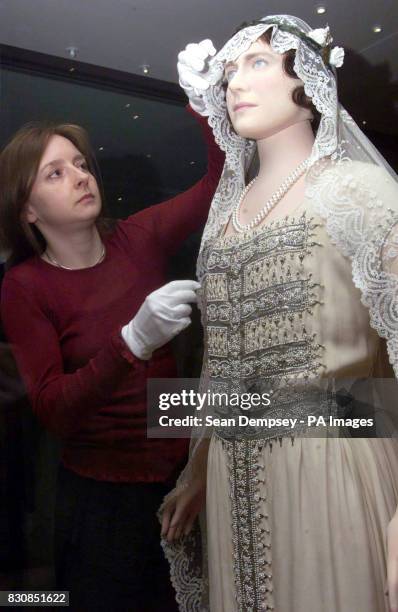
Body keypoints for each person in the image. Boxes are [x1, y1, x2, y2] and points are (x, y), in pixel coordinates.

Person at [160, 14, 398, 612]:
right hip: (233, 484)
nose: (236, 81)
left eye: (258, 63)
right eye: (231, 69)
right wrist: (198, 469)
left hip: (334, 470)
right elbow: (222, 363)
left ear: (307, 79)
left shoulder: (359, 191)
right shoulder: (223, 221)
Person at [0, 43, 224, 611]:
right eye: (56, 172)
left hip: (180, 482)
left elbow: (218, 183)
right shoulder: (25, 287)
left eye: (80, 163)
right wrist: (133, 342)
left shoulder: (137, 237)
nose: (79, 175)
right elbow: (53, 410)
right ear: (28, 209)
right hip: (98, 501)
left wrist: (203, 102)